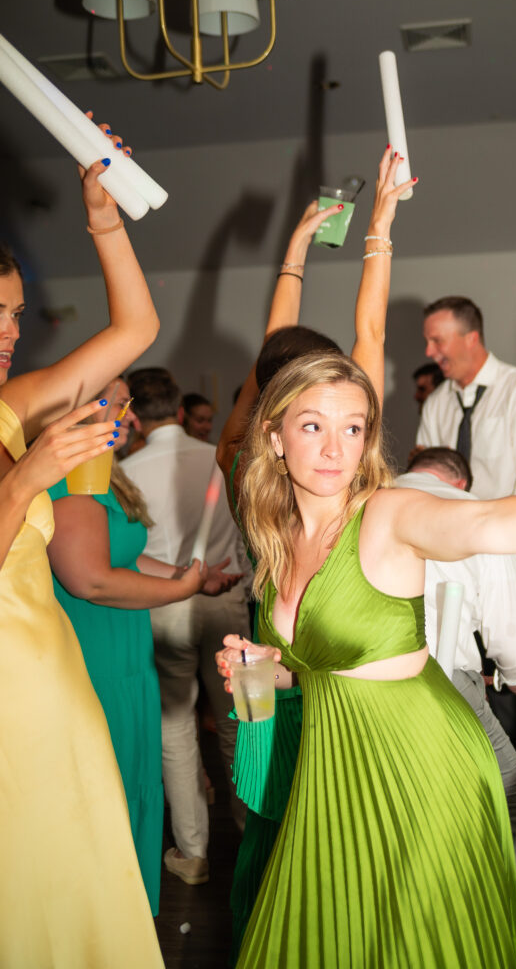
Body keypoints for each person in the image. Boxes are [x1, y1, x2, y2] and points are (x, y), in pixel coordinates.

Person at [218, 351, 516, 969]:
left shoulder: (385, 515)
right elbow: (325, 670)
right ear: (274, 437)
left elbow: (492, 521)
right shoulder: (277, 541)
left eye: (352, 428)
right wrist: (267, 667)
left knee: (419, 943)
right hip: (332, 767)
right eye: (313, 427)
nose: (335, 449)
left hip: (420, 762)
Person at [217, 146, 416, 961]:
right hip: (308, 650)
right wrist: (377, 231)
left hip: (269, 644)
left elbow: (281, 344)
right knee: (321, 836)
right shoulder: (303, 443)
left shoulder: (251, 441)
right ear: (285, 414)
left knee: (269, 823)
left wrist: (299, 245)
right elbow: (367, 332)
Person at [0, 129, 165, 966]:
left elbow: (136, 327)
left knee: (80, 889)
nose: (8, 331)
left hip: (53, 686)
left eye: (16, 313)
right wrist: (27, 479)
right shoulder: (21, 432)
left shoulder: (13, 402)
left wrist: (101, 218)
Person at [46, 375, 234, 912]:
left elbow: (124, 558)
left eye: (127, 406)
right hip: (93, 655)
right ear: (76, 409)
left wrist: (189, 575)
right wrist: (178, 590)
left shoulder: (107, 474)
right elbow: (93, 580)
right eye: (116, 405)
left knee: (136, 775)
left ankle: (127, 917)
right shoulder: (66, 480)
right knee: (103, 793)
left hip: (130, 654)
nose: (129, 419)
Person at [397, 447, 516, 969]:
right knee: (514, 809)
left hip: (350, 695)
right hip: (447, 691)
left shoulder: (358, 506)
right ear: (461, 480)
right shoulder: (472, 517)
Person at [417, 296, 516, 772]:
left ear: (470, 336)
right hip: (448, 567)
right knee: (448, 687)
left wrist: (495, 567)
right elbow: (426, 481)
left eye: (437, 339)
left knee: (509, 694)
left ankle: (514, 807)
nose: (430, 350)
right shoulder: (437, 402)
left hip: (513, 563)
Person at [121, 367, 251, 885]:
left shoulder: (126, 469)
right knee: (239, 721)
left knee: (175, 727)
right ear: (178, 410)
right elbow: (244, 533)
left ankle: (193, 851)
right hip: (224, 598)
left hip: (162, 604)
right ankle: (253, 839)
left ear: (134, 417)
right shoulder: (217, 458)